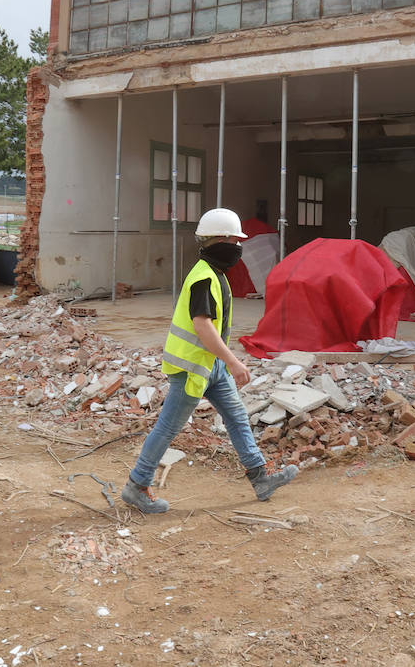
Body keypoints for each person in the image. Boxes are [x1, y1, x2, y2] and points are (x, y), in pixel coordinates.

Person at [121, 207, 298, 514]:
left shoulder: (214, 275)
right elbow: (202, 326)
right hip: (191, 368)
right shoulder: (203, 277)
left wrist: (223, 362)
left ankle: (261, 479)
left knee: (237, 418)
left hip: (209, 365)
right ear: (220, 241)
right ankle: (137, 485)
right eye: (234, 239)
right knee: (167, 429)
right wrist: (233, 361)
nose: (239, 246)